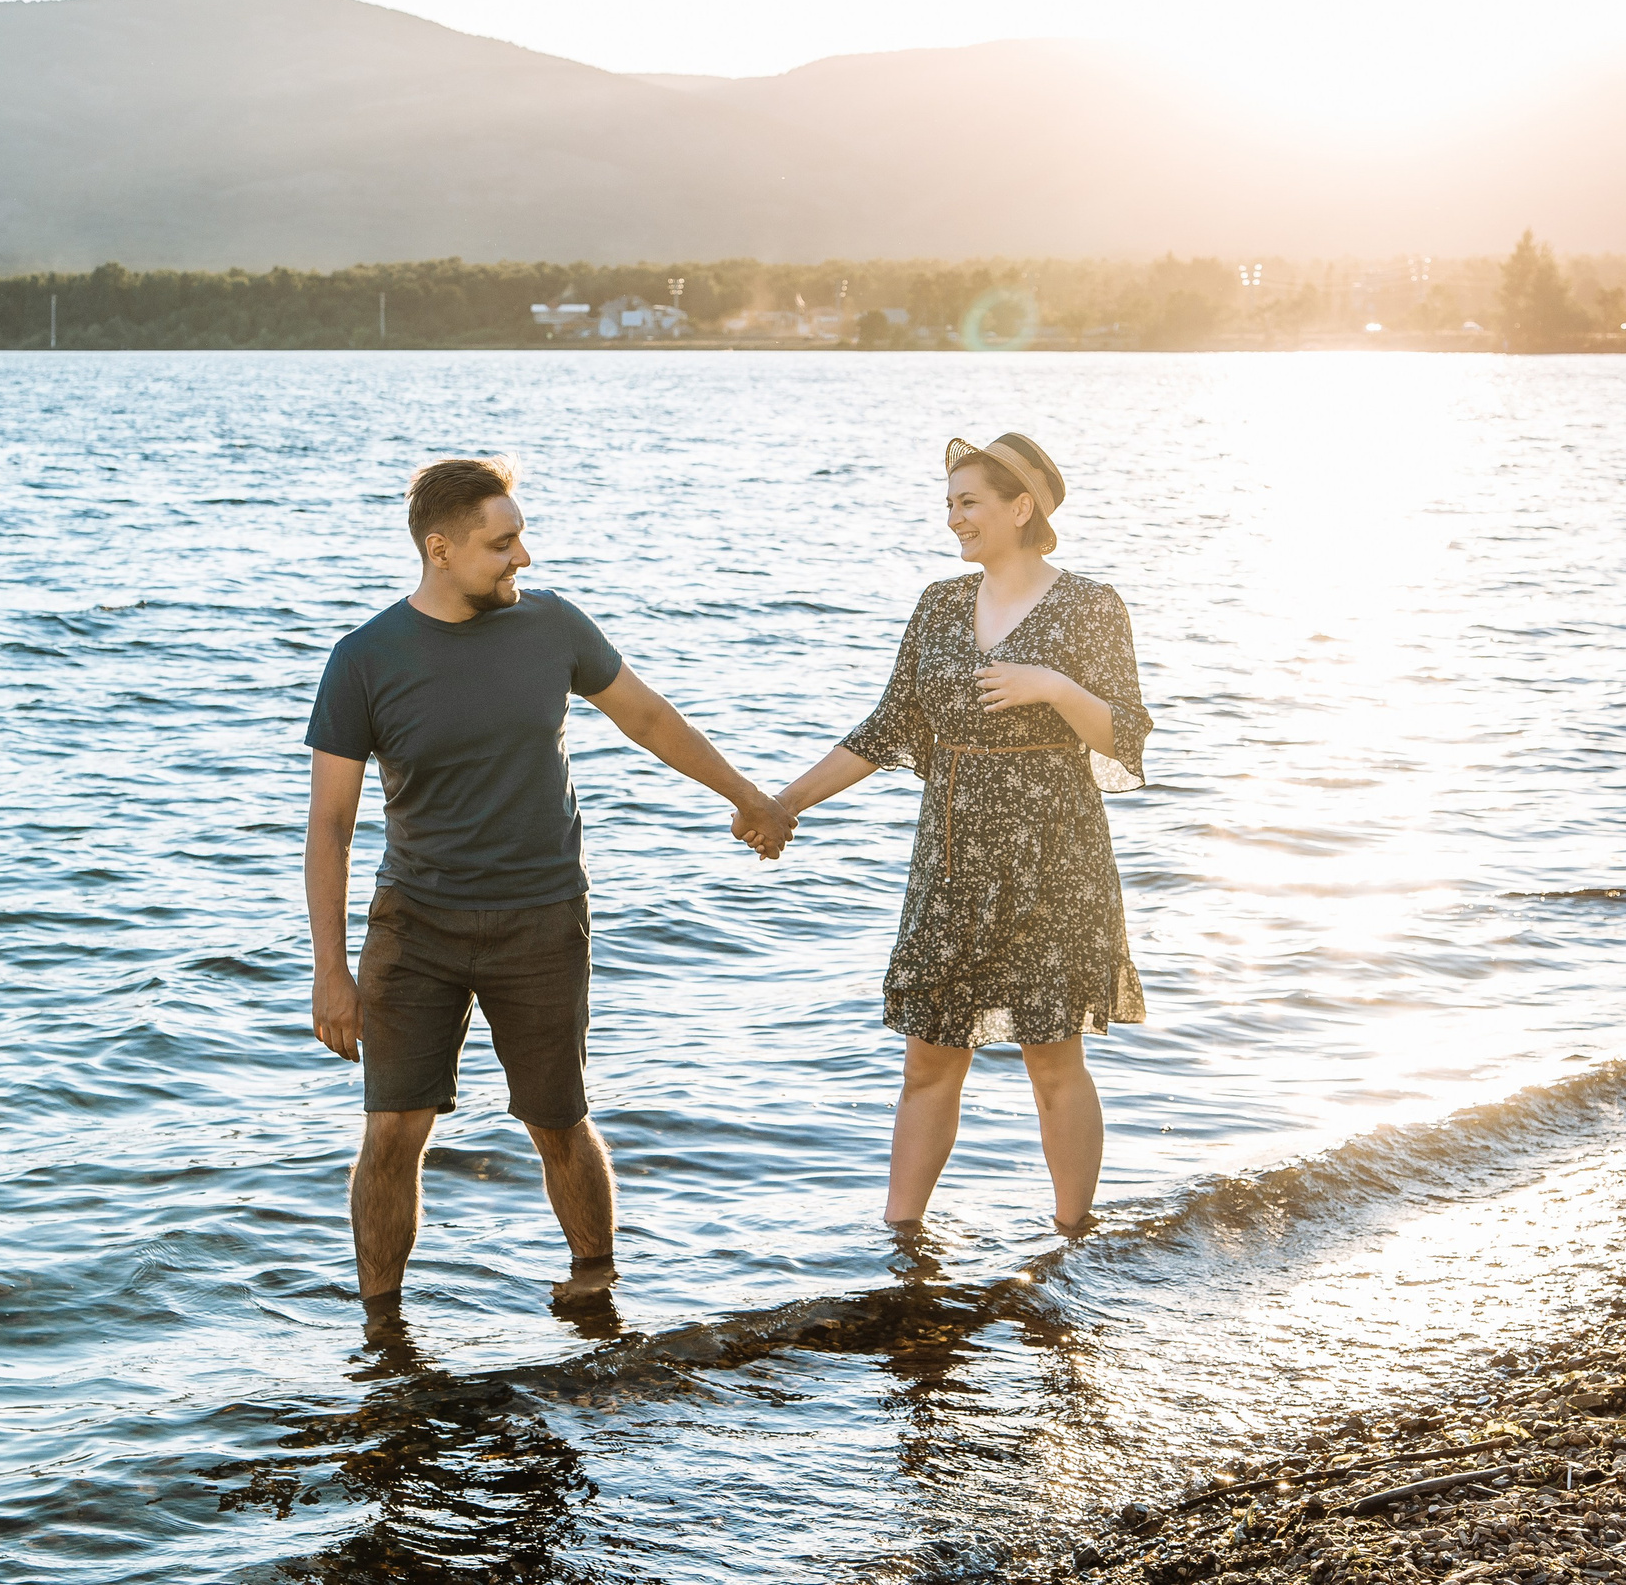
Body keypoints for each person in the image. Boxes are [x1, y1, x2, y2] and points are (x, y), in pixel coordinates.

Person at [305, 455, 796, 1307]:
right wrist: (330, 969)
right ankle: (381, 1331)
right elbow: (330, 826)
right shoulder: (363, 659)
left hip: (541, 918)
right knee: (391, 1131)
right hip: (415, 926)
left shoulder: (553, 626)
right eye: (502, 544)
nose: (522, 557)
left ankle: (596, 1289)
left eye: (520, 538)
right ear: (440, 548)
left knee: (557, 1119)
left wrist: (747, 796)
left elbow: (649, 717)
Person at [761, 433, 1150, 1235]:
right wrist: (784, 803)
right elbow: (887, 727)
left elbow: (1124, 735)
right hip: (950, 859)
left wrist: (1051, 684)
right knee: (928, 1057)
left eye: (968, 502)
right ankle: (900, 1241)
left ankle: (1074, 1237)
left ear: (1021, 506)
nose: (954, 518)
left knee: (1054, 1059)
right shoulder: (938, 605)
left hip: (1054, 857)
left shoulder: (1091, 606)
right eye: (948, 503)